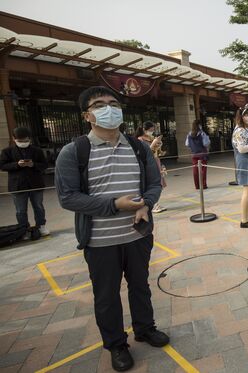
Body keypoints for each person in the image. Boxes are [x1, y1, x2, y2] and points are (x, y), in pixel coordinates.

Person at [55, 86, 168, 372]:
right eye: (100, 104)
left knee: (140, 285)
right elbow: (68, 197)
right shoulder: (74, 152)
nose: (109, 108)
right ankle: (116, 344)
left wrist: (146, 205)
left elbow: (154, 185)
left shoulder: (138, 147)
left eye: (114, 103)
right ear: (87, 115)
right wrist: (114, 204)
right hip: (100, 240)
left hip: (138, 234)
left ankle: (145, 328)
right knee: (106, 296)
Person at [0, 127, 49, 238]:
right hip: (17, 185)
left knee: (38, 206)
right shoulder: (7, 151)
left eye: (26, 140)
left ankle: (41, 225)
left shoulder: (37, 151)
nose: (23, 143)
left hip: (35, 184)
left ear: (29, 139)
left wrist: (34, 165)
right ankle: (23, 230)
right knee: (21, 210)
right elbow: (2, 165)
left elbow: (44, 165)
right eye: (20, 141)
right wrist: (17, 165)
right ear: (14, 139)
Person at [136, 122, 167, 213]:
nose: (152, 132)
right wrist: (153, 144)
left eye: (153, 130)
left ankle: (156, 203)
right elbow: (144, 153)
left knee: (159, 183)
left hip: (156, 161)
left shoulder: (151, 138)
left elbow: (156, 151)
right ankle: (152, 204)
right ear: (145, 130)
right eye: (150, 130)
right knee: (151, 183)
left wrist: (159, 146)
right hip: (148, 163)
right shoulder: (140, 140)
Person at [186, 119, 210, 189]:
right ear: (199, 125)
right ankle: (203, 185)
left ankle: (197, 186)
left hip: (194, 154)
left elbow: (187, 144)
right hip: (202, 154)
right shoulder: (202, 133)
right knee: (203, 170)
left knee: (195, 171)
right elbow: (206, 143)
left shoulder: (189, 134)